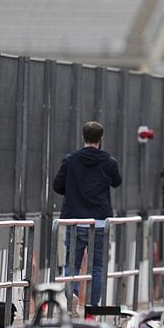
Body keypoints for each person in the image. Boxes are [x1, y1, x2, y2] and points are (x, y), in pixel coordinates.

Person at [52, 121, 122, 307]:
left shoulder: (70, 160)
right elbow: (117, 182)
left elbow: (57, 186)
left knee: (72, 264)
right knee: (97, 266)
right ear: (101, 138)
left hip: (75, 219)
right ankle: (92, 307)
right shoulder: (109, 161)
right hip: (99, 221)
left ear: (83, 137)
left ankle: (71, 296)